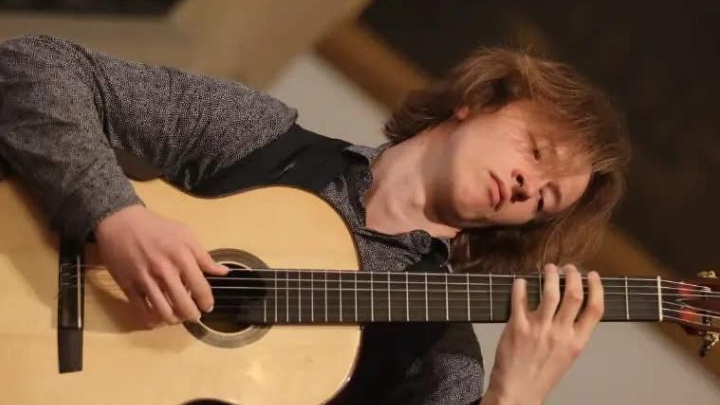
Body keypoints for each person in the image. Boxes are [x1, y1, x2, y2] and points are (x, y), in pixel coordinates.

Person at [0, 34, 630, 404]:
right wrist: (116, 215)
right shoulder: (259, 138)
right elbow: (33, 65)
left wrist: (514, 397)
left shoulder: (439, 350)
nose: (526, 186)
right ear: (479, 101)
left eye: (543, 201)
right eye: (535, 152)